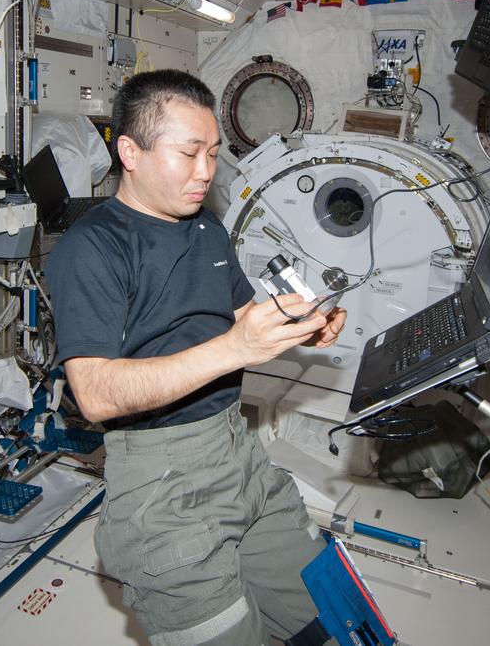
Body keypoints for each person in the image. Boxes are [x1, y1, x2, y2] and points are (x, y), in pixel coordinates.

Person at [47, 69, 347, 646]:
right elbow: (96, 394)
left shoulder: (207, 230)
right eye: (188, 154)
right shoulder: (92, 248)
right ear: (129, 152)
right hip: (161, 482)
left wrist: (299, 329)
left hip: (239, 455)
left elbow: (233, 317)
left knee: (332, 616)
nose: (206, 172)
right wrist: (236, 349)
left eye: (212, 153)